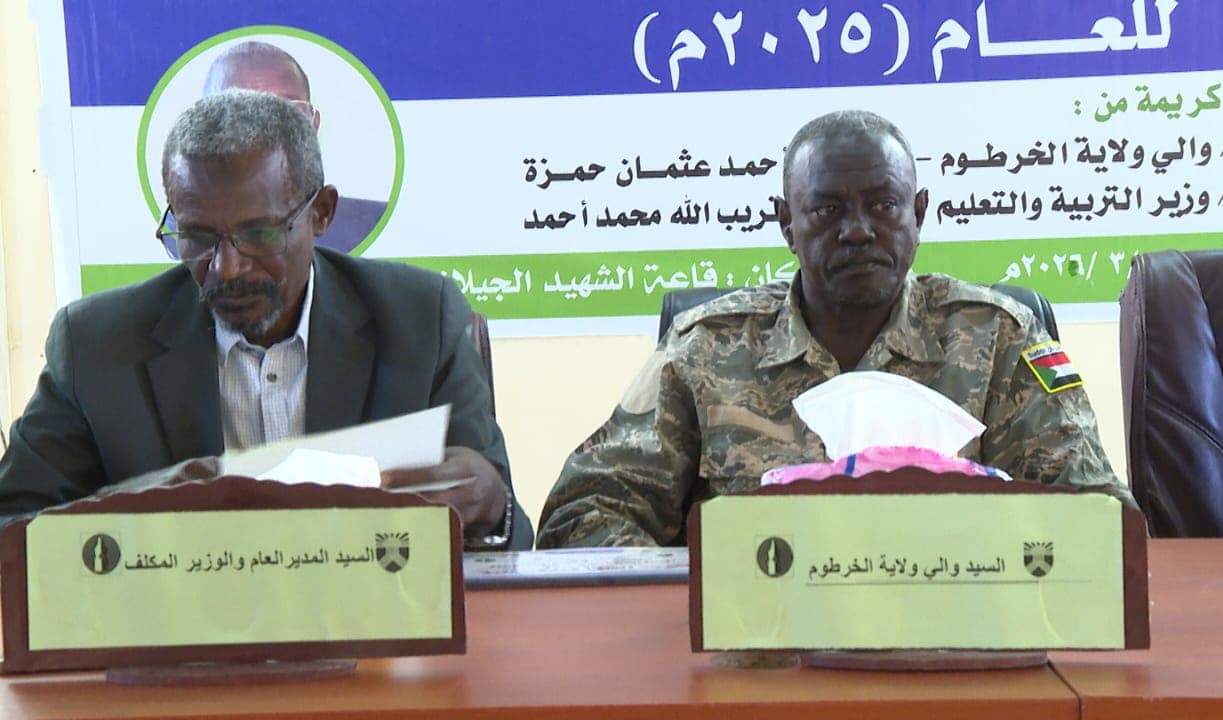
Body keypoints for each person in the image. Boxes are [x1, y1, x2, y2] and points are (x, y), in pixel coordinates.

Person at [537, 109, 1131, 548]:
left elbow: (1099, 515)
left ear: (919, 214)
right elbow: (584, 513)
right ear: (786, 226)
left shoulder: (997, 337)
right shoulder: (707, 348)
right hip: (759, 646)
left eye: (884, 206)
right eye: (827, 211)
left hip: (958, 636)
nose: (858, 230)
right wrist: (708, 589)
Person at [0, 90, 532, 549]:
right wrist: (174, 493)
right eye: (197, 236)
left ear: (321, 213)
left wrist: (492, 506)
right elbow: (13, 529)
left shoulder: (420, 319)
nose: (226, 267)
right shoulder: (96, 345)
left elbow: (512, 539)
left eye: (258, 234)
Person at [203, 40, 387, 254]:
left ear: (313, 125)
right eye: (239, 113)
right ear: (204, 128)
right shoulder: (179, 234)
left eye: (286, 112)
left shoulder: (370, 225)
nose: (265, 130)